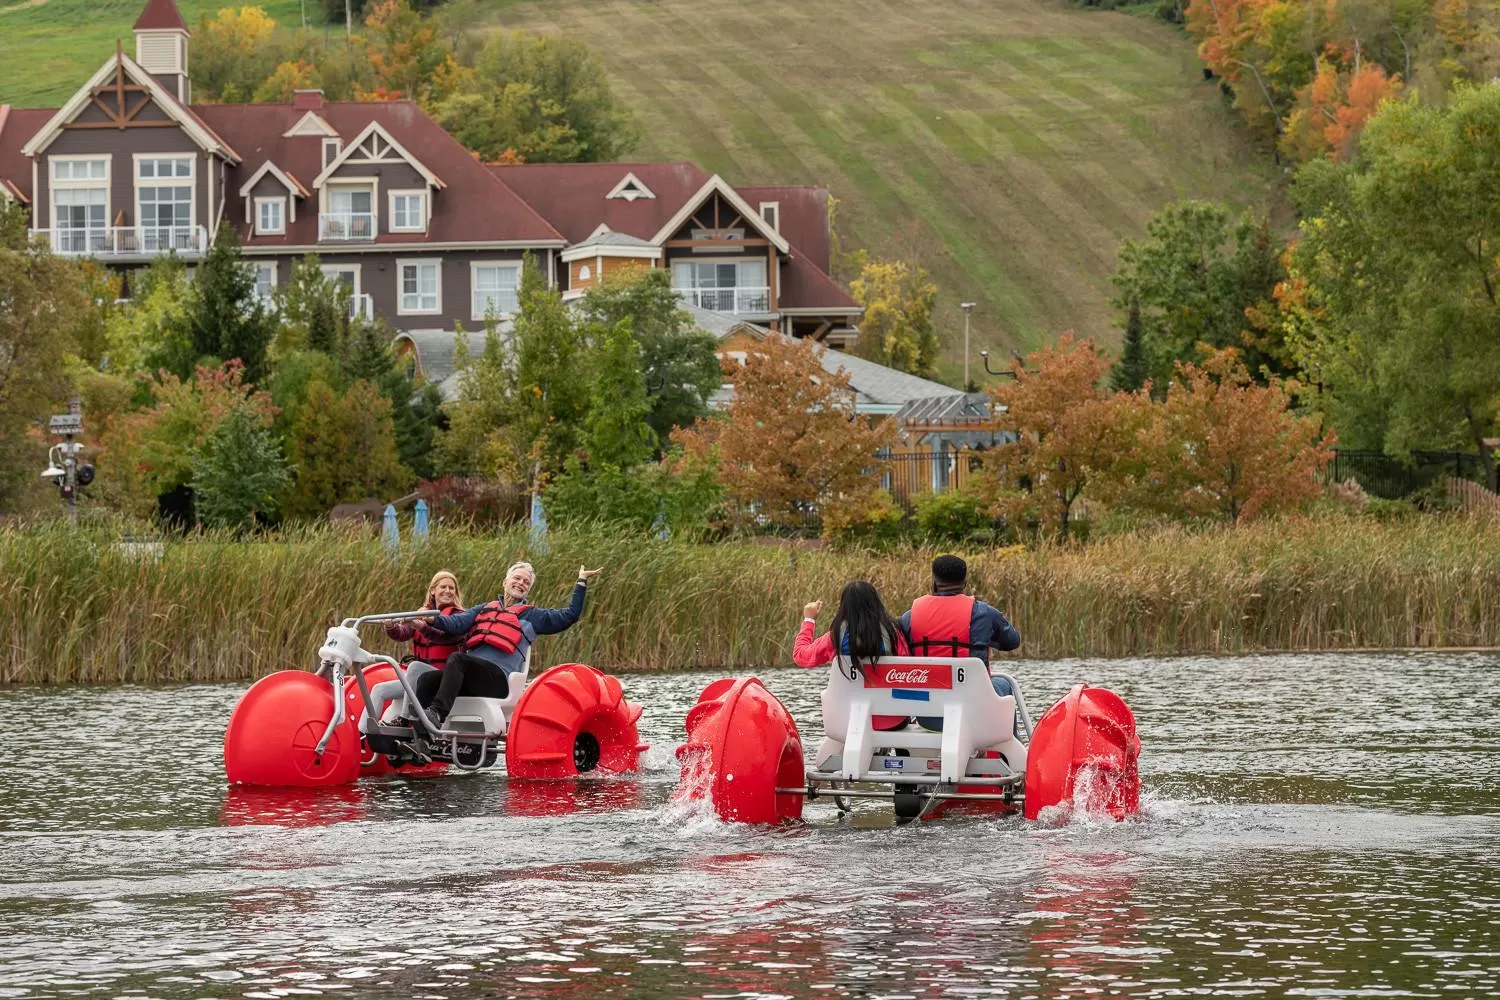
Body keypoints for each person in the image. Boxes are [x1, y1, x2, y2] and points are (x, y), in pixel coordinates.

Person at [405, 560, 602, 729]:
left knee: (457, 659)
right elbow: (456, 624)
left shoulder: (534, 616)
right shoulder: (483, 608)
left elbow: (570, 616)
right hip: (472, 678)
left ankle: (437, 714)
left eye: (526, 582)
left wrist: (581, 582)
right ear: (505, 582)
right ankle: (421, 739)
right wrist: (432, 620)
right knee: (426, 681)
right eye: (517, 578)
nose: (521, 583)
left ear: (528, 589)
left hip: (499, 683)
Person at [897, 554, 1021, 731]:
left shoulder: (910, 617)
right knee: (1003, 683)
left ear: (934, 581)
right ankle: (1006, 751)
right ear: (965, 582)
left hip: (927, 715)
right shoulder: (984, 613)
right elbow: (1012, 641)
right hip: (974, 712)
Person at [358, 570, 465, 736]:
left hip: (441, 678)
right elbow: (402, 634)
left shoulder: (458, 618)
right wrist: (390, 627)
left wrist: (420, 624)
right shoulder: (421, 612)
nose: (448, 591)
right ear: (433, 591)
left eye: (452, 588)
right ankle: (363, 735)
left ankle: (404, 719)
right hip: (417, 678)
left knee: (414, 666)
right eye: (443, 587)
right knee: (379, 689)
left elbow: (442, 636)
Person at [794, 580, 910, 732]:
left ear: (844, 607)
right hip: (893, 721)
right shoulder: (893, 633)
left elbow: (800, 656)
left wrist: (809, 620)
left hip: (849, 721)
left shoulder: (836, 636)